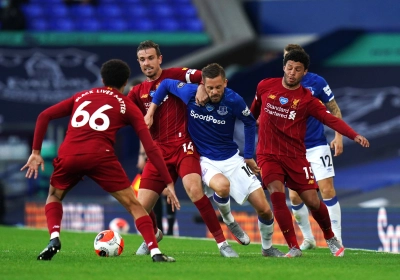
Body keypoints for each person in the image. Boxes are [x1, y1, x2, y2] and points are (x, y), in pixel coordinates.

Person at [20, 59, 178, 262]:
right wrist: (168, 180)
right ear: (126, 82)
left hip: (69, 153)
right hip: (100, 156)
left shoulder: (81, 96)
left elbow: (44, 116)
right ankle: (155, 252)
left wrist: (36, 152)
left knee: (54, 196)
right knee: (134, 205)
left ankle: (54, 238)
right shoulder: (127, 105)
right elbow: (151, 148)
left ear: (103, 79)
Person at [145, 63, 285, 257]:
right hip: (205, 160)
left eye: (218, 87)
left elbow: (249, 122)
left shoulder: (233, 100)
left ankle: (267, 248)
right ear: (202, 84)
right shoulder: (191, 93)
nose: (214, 91)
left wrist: (249, 156)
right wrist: (151, 111)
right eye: (209, 87)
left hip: (232, 159)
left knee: (265, 210)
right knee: (222, 187)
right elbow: (166, 84)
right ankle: (229, 220)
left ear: (225, 83)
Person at [127, 40, 242, 258]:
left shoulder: (177, 74)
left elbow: (206, 76)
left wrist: (200, 86)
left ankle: (222, 244)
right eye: (142, 60)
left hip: (184, 146)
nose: (147, 63)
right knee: (140, 206)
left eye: (151, 58)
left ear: (159, 59)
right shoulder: (136, 92)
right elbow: (124, 114)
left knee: (194, 189)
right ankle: (154, 234)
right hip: (157, 152)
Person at [250, 50, 370, 257]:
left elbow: (331, 119)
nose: (292, 73)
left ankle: (331, 238)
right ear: (283, 67)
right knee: (277, 195)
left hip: (296, 156)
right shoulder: (265, 85)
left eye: (297, 69)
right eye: (289, 68)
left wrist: (353, 134)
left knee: (313, 201)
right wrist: (252, 122)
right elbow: (254, 110)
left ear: (304, 72)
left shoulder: (308, 100)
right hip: (268, 153)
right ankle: (293, 247)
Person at [284, 44, 344, 249]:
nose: (290, 69)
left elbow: (334, 109)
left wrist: (339, 136)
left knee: (326, 190)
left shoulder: (317, 82)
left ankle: (337, 239)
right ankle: (309, 239)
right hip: (292, 149)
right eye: (287, 63)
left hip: (317, 145)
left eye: (294, 64)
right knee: (294, 195)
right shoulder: (277, 86)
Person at [129, 78, 176, 236]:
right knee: (153, 192)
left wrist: (142, 155)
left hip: (165, 150)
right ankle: (160, 228)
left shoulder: (152, 107)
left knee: (164, 191)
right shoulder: (140, 110)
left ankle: (168, 228)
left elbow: (148, 134)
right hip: (153, 152)